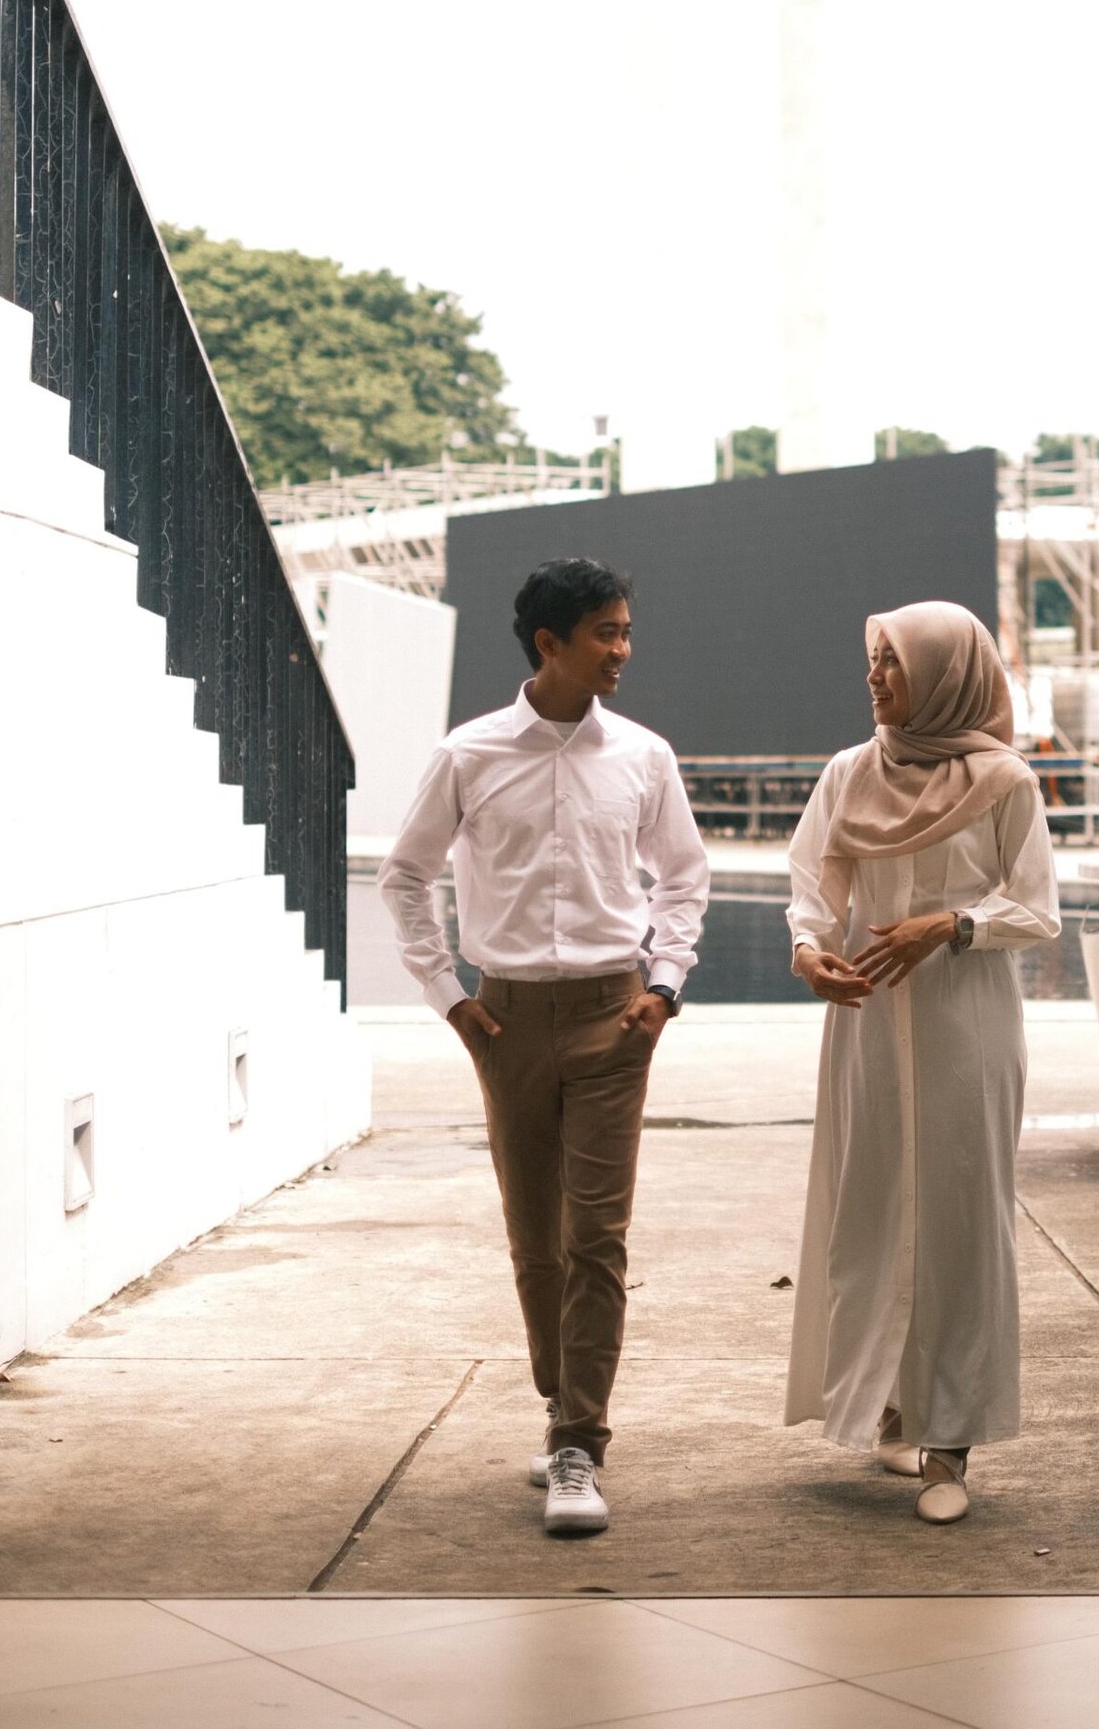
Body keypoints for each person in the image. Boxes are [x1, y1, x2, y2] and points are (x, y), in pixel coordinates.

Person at [378, 556, 707, 1537]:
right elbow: (405, 876)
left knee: (595, 1237)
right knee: (535, 1241)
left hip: (615, 1015)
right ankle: (561, 1404)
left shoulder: (643, 755)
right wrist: (447, 996)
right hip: (507, 1020)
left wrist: (663, 987)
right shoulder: (469, 754)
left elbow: (682, 876)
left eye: (626, 630)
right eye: (606, 632)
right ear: (548, 642)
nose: (623, 649)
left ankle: (578, 1444)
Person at [783, 600, 1060, 1523]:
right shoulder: (848, 772)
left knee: (961, 1221)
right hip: (866, 1017)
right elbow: (814, 880)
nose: (874, 677)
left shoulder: (1005, 780)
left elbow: (1038, 908)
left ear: (946, 675)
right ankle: (892, 1407)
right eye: (873, 660)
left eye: (893, 662)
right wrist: (809, 950)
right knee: (871, 1208)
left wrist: (950, 925)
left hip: (966, 1021)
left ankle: (951, 1448)